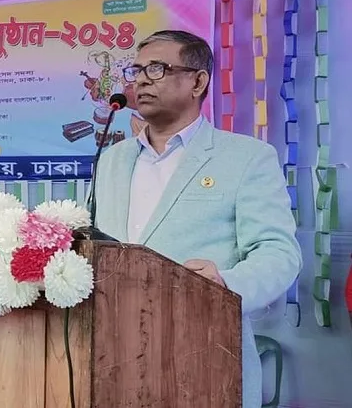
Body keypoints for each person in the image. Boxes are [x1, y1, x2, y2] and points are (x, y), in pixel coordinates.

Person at [94, 30, 302, 408]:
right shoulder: (111, 160)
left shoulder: (246, 157)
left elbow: (279, 252)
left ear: (198, 82)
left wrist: (225, 283)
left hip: (205, 355)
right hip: (114, 355)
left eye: (157, 69)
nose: (141, 80)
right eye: (136, 70)